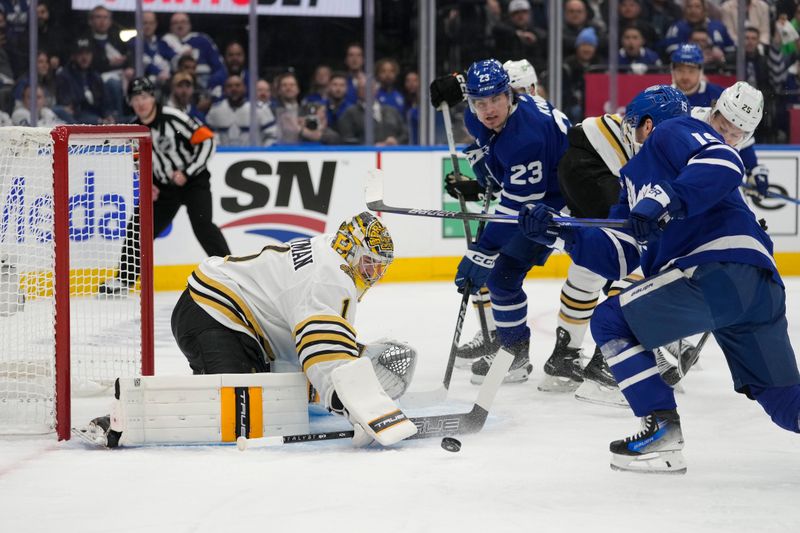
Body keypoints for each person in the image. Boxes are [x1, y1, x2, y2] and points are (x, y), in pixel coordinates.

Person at [519, 84, 800, 474]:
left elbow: (723, 160)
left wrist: (665, 199)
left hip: (717, 271)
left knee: (609, 320)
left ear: (647, 125)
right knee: (786, 404)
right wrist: (562, 233)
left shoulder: (673, 132)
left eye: (633, 128)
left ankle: (661, 430)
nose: (631, 137)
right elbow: (619, 254)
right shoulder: (632, 184)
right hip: (755, 289)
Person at [170, 211, 418, 447]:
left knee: (271, 396)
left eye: (380, 267)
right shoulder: (330, 277)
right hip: (213, 313)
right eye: (369, 263)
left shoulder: (330, 249)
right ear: (350, 249)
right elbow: (320, 347)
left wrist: (350, 355)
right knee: (239, 416)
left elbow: (311, 333)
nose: (373, 274)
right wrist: (352, 403)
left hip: (230, 318)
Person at [430, 59, 570, 384]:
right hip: (544, 193)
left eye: (495, 99)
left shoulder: (526, 138)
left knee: (598, 274)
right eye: (480, 102)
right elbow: (505, 167)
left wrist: (483, 250)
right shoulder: (479, 117)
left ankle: (517, 355)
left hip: (569, 202)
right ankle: (513, 352)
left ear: (510, 95)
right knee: (504, 277)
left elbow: (516, 210)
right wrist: (486, 170)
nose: (489, 109)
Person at [99, 77, 230, 295]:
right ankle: (124, 280)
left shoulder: (173, 118)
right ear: (130, 102)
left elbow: (207, 140)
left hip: (193, 181)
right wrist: (148, 183)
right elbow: (137, 158)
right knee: (138, 227)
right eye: (135, 98)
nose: (140, 103)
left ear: (153, 98)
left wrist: (187, 172)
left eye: (144, 97)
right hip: (164, 187)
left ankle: (230, 273)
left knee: (203, 225)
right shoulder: (135, 130)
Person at [690, 81, 771, 201]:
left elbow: (746, 151)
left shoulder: (741, 139)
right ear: (713, 113)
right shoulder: (689, 120)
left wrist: (754, 172)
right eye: (722, 129)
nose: (726, 139)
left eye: (735, 135)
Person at [205, 74, 277, 146]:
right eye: (230, 86)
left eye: (237, 85)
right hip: (223, 155)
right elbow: (208, 137)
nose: (234, 89)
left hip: (253, 155)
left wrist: (263, 151)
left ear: (244, 88)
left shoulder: (260, 109)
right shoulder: (215, 110)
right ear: (224, 90)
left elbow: (272, 135)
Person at [670, 43, 724, 107]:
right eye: (680, 70)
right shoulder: (663, 97)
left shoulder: (719, 95)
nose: (685, 77)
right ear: (673, 71)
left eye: (691, 71)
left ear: (701, 71)